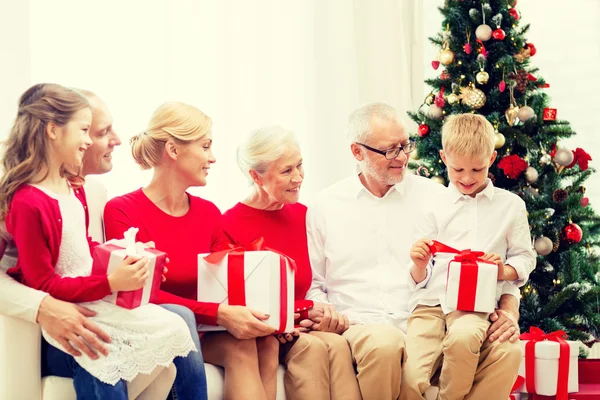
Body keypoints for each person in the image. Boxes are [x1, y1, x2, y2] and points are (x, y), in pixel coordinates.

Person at [306, 102, 524, 400]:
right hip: (364, 323)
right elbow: (314, 285)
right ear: (357, 152)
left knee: (508, 350)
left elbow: (489, 259)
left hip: (433, 316)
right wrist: (326, 314)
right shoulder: (324, 206)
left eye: (405, 145)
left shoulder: (439, 197)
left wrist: (509, 310)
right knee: (385, 344)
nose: (403, 157)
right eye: (390, 150)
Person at [0, 83, 195, 399]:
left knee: (175, 330)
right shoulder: (25, 200)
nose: (91, 140)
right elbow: (44, 279)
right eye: (87, 130)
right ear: (53, 130)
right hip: (62, 314)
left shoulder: (74, 189)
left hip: (87, 299)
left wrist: (129, 253)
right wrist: (109, 282)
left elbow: (82, 246)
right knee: (102, 349)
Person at [103, 102, 279, 400]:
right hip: (159, 330)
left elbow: (229, 283)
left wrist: (274, 316)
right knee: (242, 349)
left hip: (205, 328)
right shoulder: (122, 210)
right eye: (205, 146)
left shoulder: (208, 213)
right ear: (173, 150)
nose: (212, 158)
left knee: (264, 342)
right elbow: (140, 292)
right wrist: (220, 314)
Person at [221, 126, 361, 400]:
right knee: (313, 349)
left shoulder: (304, 215)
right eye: (286, 171)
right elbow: (237, 301)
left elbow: (318, 281)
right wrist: (301, 312)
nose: (298, 178)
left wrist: (320, 314)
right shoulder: (229, 224)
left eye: (299, 166)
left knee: (337, 345)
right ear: (255, 176)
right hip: (265, 334)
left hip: (301, 326)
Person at [402, 113, 535, 399]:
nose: (466, 178)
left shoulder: (510, 206)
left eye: (476, 169)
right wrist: (418, 263)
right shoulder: (431, 205)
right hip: (429, 304)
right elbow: (417, 277)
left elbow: (525, 257)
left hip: (475, 304)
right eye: (458, 169)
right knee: (410, 377)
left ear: (491, 158)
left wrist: (504, 272)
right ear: (443, 157)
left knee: (464, 339)